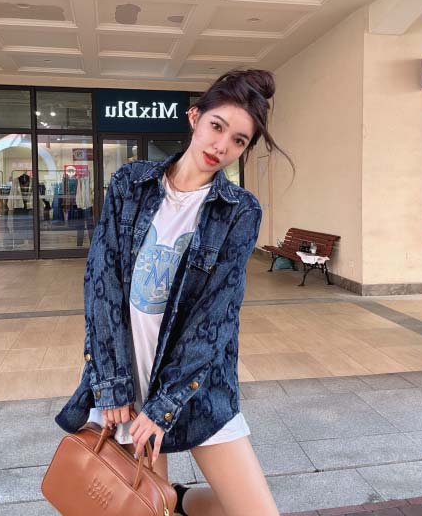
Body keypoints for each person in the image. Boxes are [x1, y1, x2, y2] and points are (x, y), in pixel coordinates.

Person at [56, 68, 292, 516]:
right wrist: (111, 386)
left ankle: (182, 502)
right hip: (127, 380)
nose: (221, 146)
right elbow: (101, 284)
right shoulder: (131, 183)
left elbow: (215, 316)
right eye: (217, 126)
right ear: (195, 117)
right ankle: (173, 502)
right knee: (144, 506)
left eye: (238, 140)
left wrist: (164, 404)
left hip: (195, 386)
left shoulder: (239, 211)